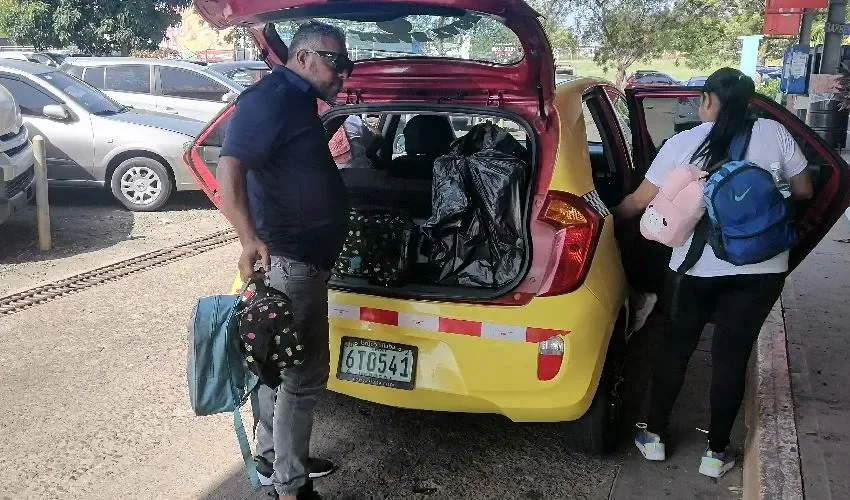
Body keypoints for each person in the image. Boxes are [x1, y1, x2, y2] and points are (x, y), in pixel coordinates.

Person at [614, 67, 814, 479]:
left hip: (693, 270)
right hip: (761, 268)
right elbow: (805, 192)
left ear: (707, 100)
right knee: (730, 357)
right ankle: (715, 454)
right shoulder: (775, 135)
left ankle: (654, 437)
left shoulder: (684, 143)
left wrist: (604, 218)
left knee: (675, 349)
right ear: (750, 103)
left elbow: (639, 202)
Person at [216, 21, 354, 500]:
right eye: (337, 63)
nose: (343, 74)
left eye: (346, 65)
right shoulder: (271, 97)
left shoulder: (295, 100)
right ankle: (292, 486)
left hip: (302, 258)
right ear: (303, 57)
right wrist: (248, 238)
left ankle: (277, 458)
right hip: (291, 259)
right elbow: (228, 167)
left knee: (277, 367)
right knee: (301, 374)